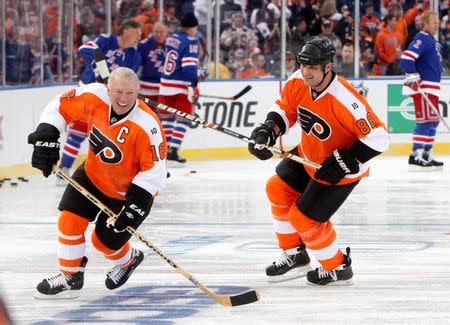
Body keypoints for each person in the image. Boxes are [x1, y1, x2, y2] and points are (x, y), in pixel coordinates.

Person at [248, 36, 389, 285]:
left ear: (328, 66)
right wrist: (269, 130)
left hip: (340, 169)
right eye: (303, 65)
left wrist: (348, 158)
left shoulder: (346, 98)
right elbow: (285, 109)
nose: (306, 72)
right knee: (277, 189)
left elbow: (379, 137)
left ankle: (338, 266)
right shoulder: (298, 81)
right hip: (309, 155)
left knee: (304, 219)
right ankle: (295, 254)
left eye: (313, 67)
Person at [28, 67, 167, 299]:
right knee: (69, 223)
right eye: (119, 92)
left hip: (128, 194)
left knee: (103, 243)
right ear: (108, 89)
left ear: (138, 92)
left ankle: (129, 259)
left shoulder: (148, 125)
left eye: (130, 93)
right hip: (92, 175)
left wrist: (135, 206)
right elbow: (59, 107)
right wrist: (47, 136)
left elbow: (155, 170)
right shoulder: (94, 95)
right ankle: (70, 276)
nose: (123, 99)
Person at [57, 19, 143, 184]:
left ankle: (108, 175)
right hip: (89, 92)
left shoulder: (134, 55)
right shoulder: (106, 40)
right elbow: (84, 49)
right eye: (137, 32)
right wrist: (100, 64)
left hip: (109, 100)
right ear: (126, 31)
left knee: (108, 137)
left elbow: (129, 79)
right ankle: (63, 169)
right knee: (78, 132)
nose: (139, 37)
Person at [400, 10, 443, 171]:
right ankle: (415, 154)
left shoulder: (432, 41)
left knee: (433, 120)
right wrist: (414, 78)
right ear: (424, 24)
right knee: (425, 120)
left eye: (438, 23)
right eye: (434, 22)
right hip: (423, 88)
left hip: (432, 89)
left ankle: (426, 153)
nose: (437, 25)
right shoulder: (422, 38)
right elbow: (406, 60)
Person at [158, 12, 200, 165]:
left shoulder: (170, 39)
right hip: (180, 86)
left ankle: (167, 148)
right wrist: (193, 83)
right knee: (183, 117)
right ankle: (174, 149)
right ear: (191, 28)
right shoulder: (191, 41)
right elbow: (189, 66)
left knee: (167, 118)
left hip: (165, 84)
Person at [138, 22, 168, 102]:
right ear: (152, 32)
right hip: (146, 87)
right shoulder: (144, 44)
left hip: (165, 87)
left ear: (166, 32)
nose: (158, 34)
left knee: (164, 113)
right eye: (156, 32)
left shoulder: (171, 45)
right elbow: (138, 64)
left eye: (161, 32)